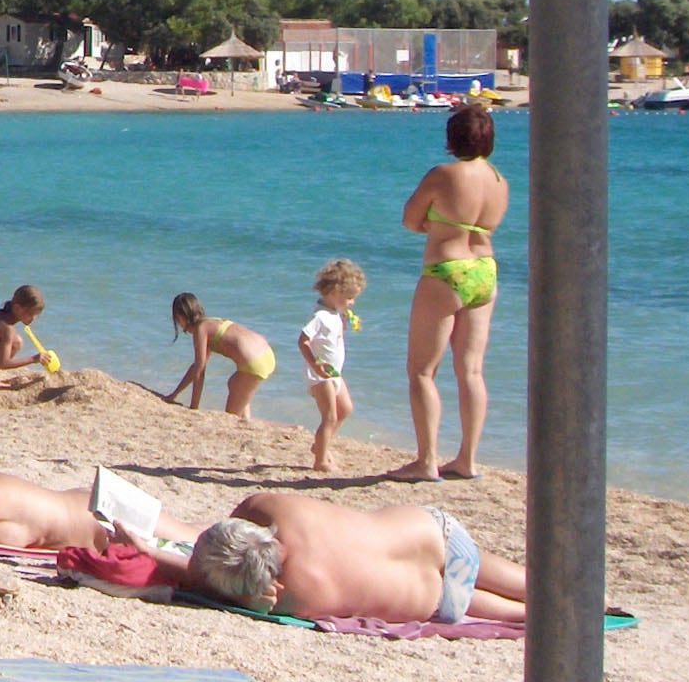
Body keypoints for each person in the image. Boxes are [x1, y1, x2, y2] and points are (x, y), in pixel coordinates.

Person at [159, 491, 528, 625]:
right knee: (531, 582)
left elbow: (208, 586)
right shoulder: (270, 506)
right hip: (441, 537)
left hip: (440, 602)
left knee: (529, 614)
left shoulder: (292, 598)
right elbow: (221, 527)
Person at [394, 102, 510, 480]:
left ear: (452, 138)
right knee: (471, 370)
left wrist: (434, 224)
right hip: (485, 270)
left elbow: (411, 219)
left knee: (422, 371)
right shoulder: (498, 181)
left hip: (446, 270)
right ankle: (467, 459)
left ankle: (427, 461)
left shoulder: (442, 175)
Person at [298, 258, 366, 472]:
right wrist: (315, 364)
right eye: (349, 298)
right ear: (334, 292)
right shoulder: (319, 316)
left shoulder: (334, 313)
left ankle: (320, 445)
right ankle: (320, 460)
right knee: (329, 417)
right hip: (321, 374)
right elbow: (303, 340)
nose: (352, 303)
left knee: (345, 409)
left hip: (334, 373)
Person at [162, 293, 276, 417]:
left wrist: (194, 407)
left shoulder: (201, 330)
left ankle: (288, 428)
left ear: (180, 317)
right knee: (233, 383)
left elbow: (200, 371)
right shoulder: (212, 322)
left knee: (231, 417)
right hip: (266, 353)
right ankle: (247, 421)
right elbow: (197, 367)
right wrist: (174, 394)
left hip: (254, 363)